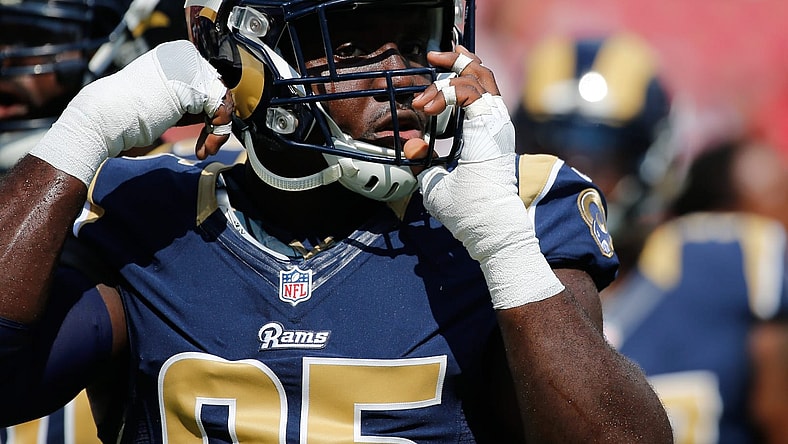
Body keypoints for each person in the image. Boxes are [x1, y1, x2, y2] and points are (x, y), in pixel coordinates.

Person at [0, 0, 672, 442]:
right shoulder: (152, 210)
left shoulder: (516, 207)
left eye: (413, 43)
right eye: (351, 47)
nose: (400, 80)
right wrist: (84, 132)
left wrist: (502, 247)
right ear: (243, 53)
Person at [514, 33, 788, 443]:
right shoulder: (484, 279)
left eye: (600, 154)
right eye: (551, 149)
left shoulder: (739, 265)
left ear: (653, 159)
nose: (572, 178)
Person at [0, 1, 191, 442]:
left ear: (120, 50)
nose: (5, 61)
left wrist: (87, 131)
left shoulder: (173, 187)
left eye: (31, 41)